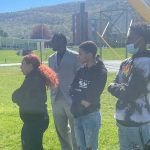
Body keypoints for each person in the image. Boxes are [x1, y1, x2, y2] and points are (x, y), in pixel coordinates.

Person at [108, 23, 150, 150]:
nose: (126, 41)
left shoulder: (147, 64)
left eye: (130, 38)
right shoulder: (126, 63)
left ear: (140, 39)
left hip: (141, 124)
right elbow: (117, 81)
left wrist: (113, 87)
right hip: (123, 122)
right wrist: (116, 87)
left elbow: (131, 93)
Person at [12, 54, 58, 150]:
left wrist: (19, 99)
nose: (20, 67)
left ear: (30, 65)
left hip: (35, 121)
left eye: (23, 64)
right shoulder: (34, 76)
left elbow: (16, 96)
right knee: (35, 146)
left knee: (30, 146)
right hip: (37, 119)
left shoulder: (33, 79)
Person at [70, 41, 107, 150]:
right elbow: (71, 90)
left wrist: (78, 96)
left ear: (90, 55)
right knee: (81, 147)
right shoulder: (81, 70)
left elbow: (90, 98)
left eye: (80, 53)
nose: (78, 56)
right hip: (77, 115)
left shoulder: (100, 72)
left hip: (90, 116)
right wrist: (80, 97)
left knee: (90, 148)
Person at [48, 33, 80, 150]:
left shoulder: (75, 56)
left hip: (71, 99)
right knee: (61, 130)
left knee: (75, 130)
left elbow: (80, 76)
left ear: (62, 42)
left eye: (54, 41)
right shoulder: (50, 58)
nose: (51, 43)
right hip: (56, 99)